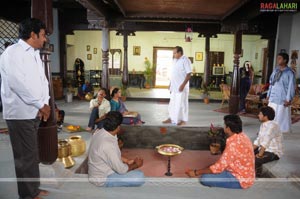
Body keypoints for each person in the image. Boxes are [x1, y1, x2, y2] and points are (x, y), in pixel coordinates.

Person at [0, 18, 50, 199]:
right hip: (19, 113)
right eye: (43, 35)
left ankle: (33, 189)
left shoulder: (34, 53)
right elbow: (17, 84)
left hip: (34, 111)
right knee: (24, 157)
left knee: (32, 154)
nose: (44, 39)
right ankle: (28, 195)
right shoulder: (12, 53)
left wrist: (46, 102)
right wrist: (40, 104)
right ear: (32, 34)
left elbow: (42, 80)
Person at [186, 115, 255, 189]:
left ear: (228, 128)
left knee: (205, 178)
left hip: (240, 179)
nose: (223, 126)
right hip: (246, 174)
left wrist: (195, 172)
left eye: (224, 125)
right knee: (210, 168)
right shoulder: (243, 136)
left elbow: (218, 168)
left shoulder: (233, 144)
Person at [88, 111, 145, 187]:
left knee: (132, 171)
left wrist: (127, 161)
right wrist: (136, 165)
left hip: (97, 171)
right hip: (102, 178)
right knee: (139, 177)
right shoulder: (108, 144)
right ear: (118, 126)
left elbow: (108, 154)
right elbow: (121, 170)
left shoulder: (101, 132)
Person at [163, 46, 192, 126]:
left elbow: (189, 74)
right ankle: (171, 118)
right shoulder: (175, 60)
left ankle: (183, 120)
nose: (173, 54)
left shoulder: (185, 60)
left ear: (180, 53)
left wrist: (183, 85)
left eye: (175, 53)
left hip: (182, 87)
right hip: (174, 86)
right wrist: (170, 84)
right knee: (172, 103)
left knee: (182, 104)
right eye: (173, 53)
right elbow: (173, 73)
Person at [267, 52, 295, 133]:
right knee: (271, 113)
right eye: (277, 58)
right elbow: (271, 82)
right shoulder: (276, 70)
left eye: (280, 58)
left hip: (282, 97)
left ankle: (280, 130)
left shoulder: (289, 72)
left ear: (285, 60)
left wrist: (288, 99)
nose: (277, 60)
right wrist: (268, 94)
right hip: (273, 96)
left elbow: (291, 86)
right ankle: (270, 129)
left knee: (280, 115)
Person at [254, 106, 283, 177]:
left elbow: (265, 142)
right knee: (247, 155)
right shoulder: (263, 125)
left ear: (265, 116)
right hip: (264, 149)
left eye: (260, 114)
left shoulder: (273, 126)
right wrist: (248, 151)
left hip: (273, 152)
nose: (258, 115)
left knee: (255, 160)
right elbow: (258, 141)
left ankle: (257, 174)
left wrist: (260, 155)